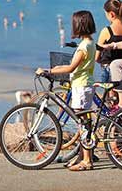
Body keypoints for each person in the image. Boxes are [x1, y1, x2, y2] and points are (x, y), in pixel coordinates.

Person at [36, 10, 96, 171]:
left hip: (81, 86)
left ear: (79, 26)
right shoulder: (90, 43)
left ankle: (87, 161)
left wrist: (49, 72)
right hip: (84, 83)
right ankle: (83, 156)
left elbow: (71, 67)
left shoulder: (84, 47)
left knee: (83, 123)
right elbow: (74, 67)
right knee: (84, 122)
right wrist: (54, 68)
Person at [95, 0, 122, 83]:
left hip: (109, 68)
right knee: (121, 91)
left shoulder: (106, 31)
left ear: (111, 14)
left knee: (109, 94)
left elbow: (97, 57)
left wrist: (99, 61)